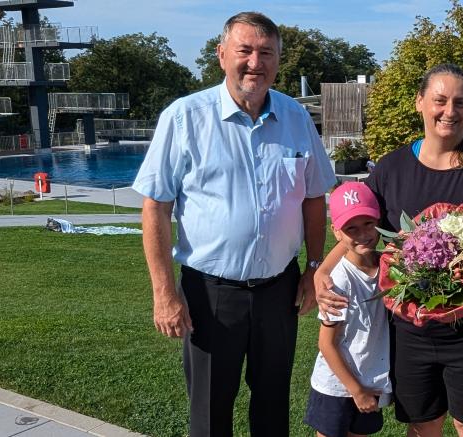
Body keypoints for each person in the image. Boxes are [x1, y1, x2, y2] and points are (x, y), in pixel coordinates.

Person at [131, 11, 336, 437]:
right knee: (209, 415)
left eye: (266, 53)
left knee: (273, 409)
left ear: (279, 60)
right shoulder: (186, 117)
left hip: (279, 292)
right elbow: (155, 208)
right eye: (244, 51)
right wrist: (164, 292)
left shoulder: (296, 118)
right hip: (210, 295)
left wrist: (314, 268)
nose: (255, 63)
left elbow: (315, 198)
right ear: (222, 54)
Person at [316, 63, 463, 437]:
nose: (450, 111)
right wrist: (321, 272)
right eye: (440, 100)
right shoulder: (391, 169)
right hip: (412, 330)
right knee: (422, 426)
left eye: (460, 103)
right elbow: (359, 233)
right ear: (419, 102)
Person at [305, 181, 392, 437]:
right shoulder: (338, 281)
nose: (363, 234)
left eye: (368, 224)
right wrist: (356, 390)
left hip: (371, 379)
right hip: (337, 386)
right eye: (351, 228)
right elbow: (326, 344)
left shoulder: (386, 266)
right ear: (337, 233)